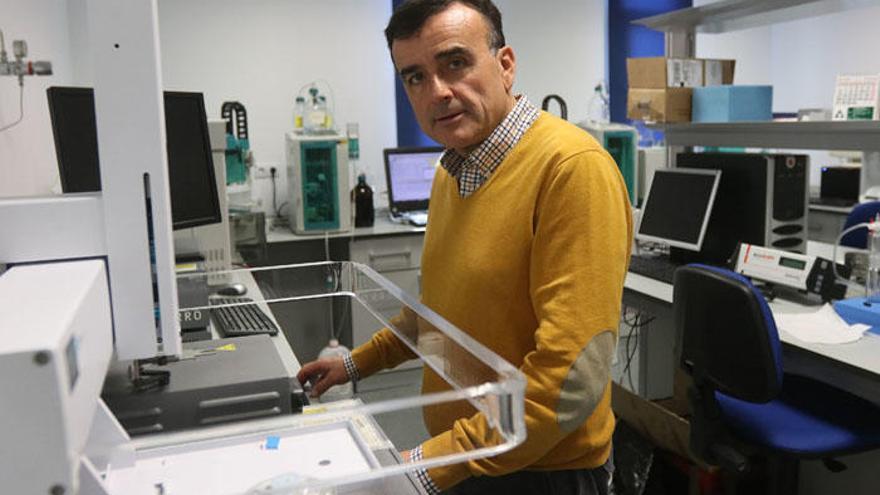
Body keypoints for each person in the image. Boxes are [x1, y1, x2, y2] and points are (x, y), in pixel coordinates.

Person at [297, 1, 632, 493]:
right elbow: (437, 314)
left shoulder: (571, 168)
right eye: (414, 77)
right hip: (471, 454)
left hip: (540, 471)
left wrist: (427, 465)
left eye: (456, 63)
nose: (438, 92)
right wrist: (354, 363)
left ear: (505, 64)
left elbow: (569, 381)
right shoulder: (453, 171)